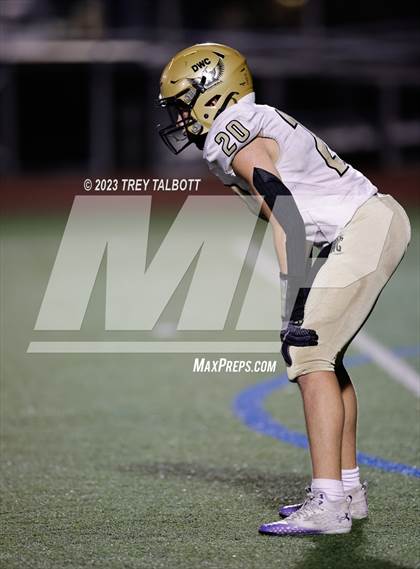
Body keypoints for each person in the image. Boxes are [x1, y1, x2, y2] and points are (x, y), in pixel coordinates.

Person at [157, 43, 411, 536]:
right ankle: (347, 491)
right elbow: (290, 214)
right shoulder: (248, 122)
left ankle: (329, 503)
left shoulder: (233, 133)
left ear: (214, 93)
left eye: (184, 102)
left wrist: (293, 305)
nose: (180, 116)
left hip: (366, 228)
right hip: (370, 223)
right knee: (326, 359)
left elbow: (288, 215)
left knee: (308, 354)